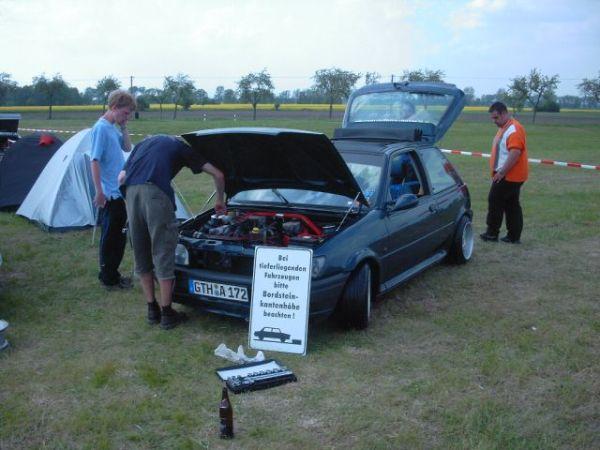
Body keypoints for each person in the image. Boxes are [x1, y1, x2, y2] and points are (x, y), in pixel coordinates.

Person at [119, 134, 225, 329]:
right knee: (163, 251)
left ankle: (152, 310)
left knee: (141, 251)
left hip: (130, 193)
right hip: (156, 195)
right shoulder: (179, 146)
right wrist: (219, 200)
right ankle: (167, 313)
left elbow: (121, 177)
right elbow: (218, 174)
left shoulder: (141, 144)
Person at [90, 89, 136, 289]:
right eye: (125, 113)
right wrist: (99, 191)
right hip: (109, 194)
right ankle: (107, 279)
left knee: (119, 236)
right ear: (114, 107)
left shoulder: (113, 127)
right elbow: (94, 160)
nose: (127, 117)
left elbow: (127, 148)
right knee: (110, 237)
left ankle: (114, 275)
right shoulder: (100, 128)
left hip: (120, 191)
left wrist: (124, 126)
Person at [480, 102, 529, 244]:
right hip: (511, 175)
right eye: (492, 118)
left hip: (509, 175)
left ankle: (492, 233)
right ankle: (513, 236)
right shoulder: (505, 127)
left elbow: (515, 153)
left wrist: (501, 172)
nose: (494, 121)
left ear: (503, 113)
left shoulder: (514, 129)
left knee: (495, 201)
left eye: (495, 117)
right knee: (512, 205)